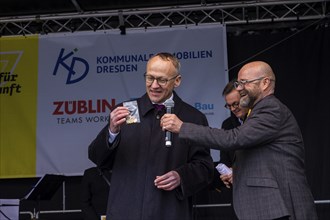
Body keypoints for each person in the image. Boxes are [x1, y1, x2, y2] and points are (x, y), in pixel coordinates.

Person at [161, 61, 318, 220]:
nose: (239, 88)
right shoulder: (258, 112)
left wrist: (183, 128)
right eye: (238, 83)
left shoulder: (271, 108)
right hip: (270, 208)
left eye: (244, 83)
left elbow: (234, 138)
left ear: (265, 83)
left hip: (280, 206)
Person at [88, 52, 214, 220]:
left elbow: (205, 168)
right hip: (125, 211)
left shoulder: (192, 117)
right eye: (150, 78)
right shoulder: (126, 110)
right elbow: (97, 158)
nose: (154, 85)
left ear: (177, 81)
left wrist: (181, 176)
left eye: (162, 80)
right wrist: (112, 131)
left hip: (169, 210)